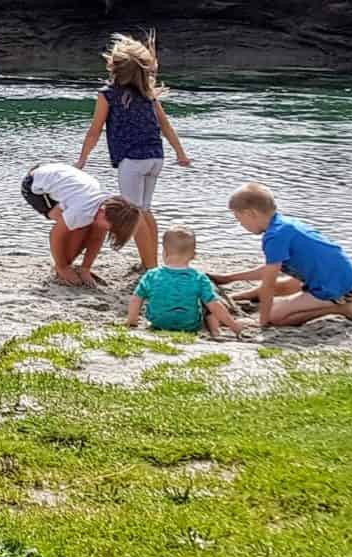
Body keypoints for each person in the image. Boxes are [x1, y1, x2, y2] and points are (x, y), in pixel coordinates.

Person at [74, 33, 192, 271]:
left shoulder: (107, 94)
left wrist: (82, 159)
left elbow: (94, 131)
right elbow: (166, 126)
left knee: (134, 215)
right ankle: (151, 262)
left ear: (114, 68)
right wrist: (180, 153)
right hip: (155, 158)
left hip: (132, 161)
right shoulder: (148, 93)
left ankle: (151, 268)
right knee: (145, 210)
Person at [211, 183, 352, 328]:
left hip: (334, 286)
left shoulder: (274, 237)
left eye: (239, 219)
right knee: (284, 285)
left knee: (275, 317)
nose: (241, 225)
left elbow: (268, 285)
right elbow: (270, 270)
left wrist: (263, 321)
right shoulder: (283, 223)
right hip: (340, 275)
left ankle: (344, 308)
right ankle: (234, 298)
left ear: (251, 213)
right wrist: (228, 279)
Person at [21, 162, 142, 286]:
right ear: (103, 211)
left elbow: (97, 238)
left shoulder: (109, 210)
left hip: (64, 180)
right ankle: (62, 269)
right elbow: (55, 235)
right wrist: (62, 267)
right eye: (109, 227)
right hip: (35, 185)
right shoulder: (83, 210)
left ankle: (72, 267)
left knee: (85, 225)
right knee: (78, 227)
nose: (108, 230)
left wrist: (86, 268)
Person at [125, 227, 246, 340]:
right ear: (194, 255)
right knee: (209, 302)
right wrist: (234, 325)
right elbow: (215, 305)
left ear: (164, 252)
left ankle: (158, 319)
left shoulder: (151, 275)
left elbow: (136, 299)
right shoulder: (199, 278)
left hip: (158, 323)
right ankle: (215, 331)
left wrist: (132, 321)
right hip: (189, 326)